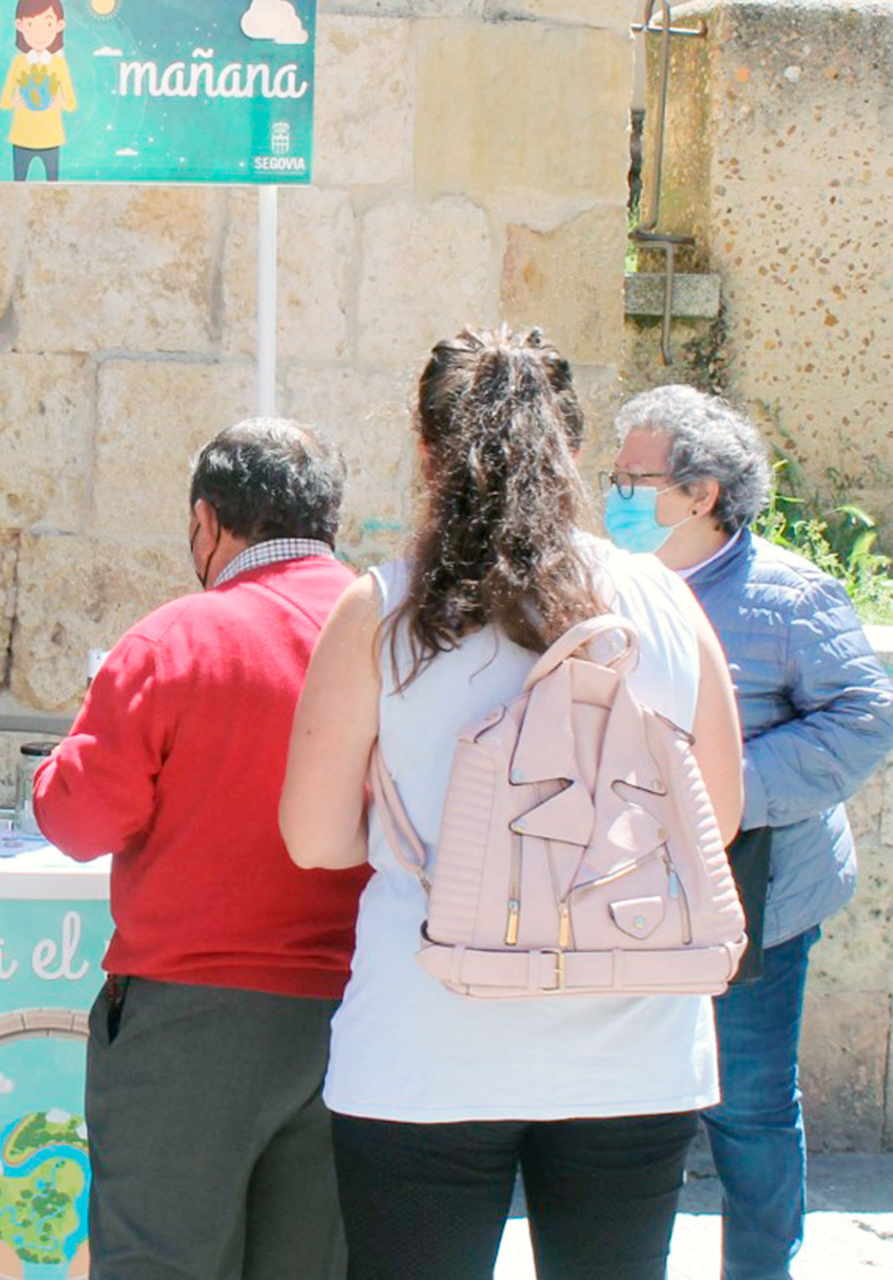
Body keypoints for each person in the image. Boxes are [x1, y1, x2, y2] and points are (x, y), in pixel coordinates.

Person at [278, 326, 746, 1280]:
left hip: (427, 1037)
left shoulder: (384, 609)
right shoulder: (661, 598)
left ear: (425, 450)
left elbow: (315, 839)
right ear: (570, 452)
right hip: (637, 1042)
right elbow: (720, 818)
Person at [33, 420, 368, 1280]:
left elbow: (78, 821)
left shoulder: (177, 639)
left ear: (205, 522)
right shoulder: (391, 630)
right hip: (362, 1007)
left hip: (191, 1016)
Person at [606, 385, 893, 1280]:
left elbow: (862, 718)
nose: (612, 492)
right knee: (622, 1110)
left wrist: (719, 794)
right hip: (621, 897)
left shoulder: (790, 597)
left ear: (701, 494)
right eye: (611, 474)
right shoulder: (598, 582)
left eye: (633, 476)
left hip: (757, 900)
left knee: (752, 1107)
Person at [0, 0, 77, 182]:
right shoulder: (19, 63)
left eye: (48, 24)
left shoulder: (58, 64)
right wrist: (13, 101)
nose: (39, 34)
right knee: (18, 184)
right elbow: (4, 101)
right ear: (20, 25)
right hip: (21, 136)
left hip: (51, 136)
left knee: (54, 187)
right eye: (31, 24)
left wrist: (61, 103)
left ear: (59, 25)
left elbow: (71, 102)